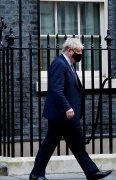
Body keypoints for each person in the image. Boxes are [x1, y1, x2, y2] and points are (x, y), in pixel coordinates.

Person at [29, 37, 112, 180]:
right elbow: (56, 89)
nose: (80, 55)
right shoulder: (59, 64)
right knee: (50, 144)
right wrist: (67, 107)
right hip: (62, 114)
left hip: (67, 115)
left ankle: (92, 172)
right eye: (78, 52)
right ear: (69, 50)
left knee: (77, 144)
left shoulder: (69, 64)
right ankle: (36, 174)